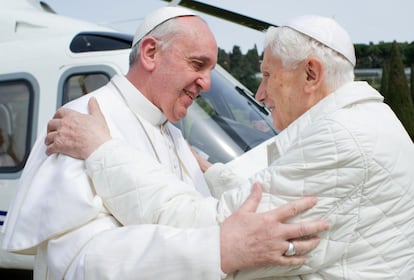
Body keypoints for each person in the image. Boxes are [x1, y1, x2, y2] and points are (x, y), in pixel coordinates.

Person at [43, 14, 414, 279]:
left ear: (311, 74)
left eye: (267, 76)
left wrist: (102, 152)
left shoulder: (342, 141)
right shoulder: (367, 122)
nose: (260, 93)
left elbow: (216, 231)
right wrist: (212, 174)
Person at [1, 7, 328, 280]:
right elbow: (77, 264)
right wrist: (218, 250)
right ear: (150, 53)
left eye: (211, 69)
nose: (206, 82)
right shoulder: (81, 123)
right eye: (198, 64)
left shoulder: (171, 130)